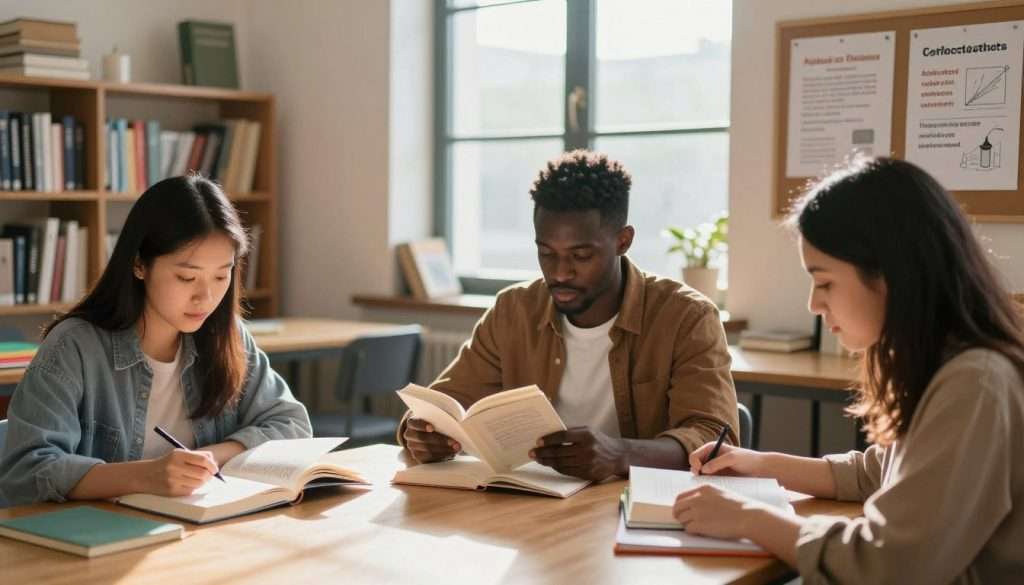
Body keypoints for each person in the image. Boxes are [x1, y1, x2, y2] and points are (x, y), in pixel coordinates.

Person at [672, 157, 1024, 584]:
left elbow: (890, 565)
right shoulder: (941, 362)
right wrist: (757, 463)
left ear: (890, 274)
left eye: (824, 282)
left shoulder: (974, 383)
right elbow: (874, 473)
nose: (814, 305)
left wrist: (750, 518)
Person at [402, 150, 738, 481]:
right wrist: (422, 433)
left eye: (580, 255)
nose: (560, 272)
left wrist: (619, 454)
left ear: (623, 241)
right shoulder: (513, 311)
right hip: (529, 504)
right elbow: (442, 403)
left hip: (633, 509)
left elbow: (713, 437)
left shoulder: (687, 318)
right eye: (546, 253)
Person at [0, 175, 312, 506]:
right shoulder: (75, 347)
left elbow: (291, 424)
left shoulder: (227, 335)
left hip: (198, 535)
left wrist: (208, 458)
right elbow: (27, 471)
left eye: (222, 275)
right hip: (98, 542)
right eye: (187, 277)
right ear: (139, 264)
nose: (206, 297)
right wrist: (145, 476)